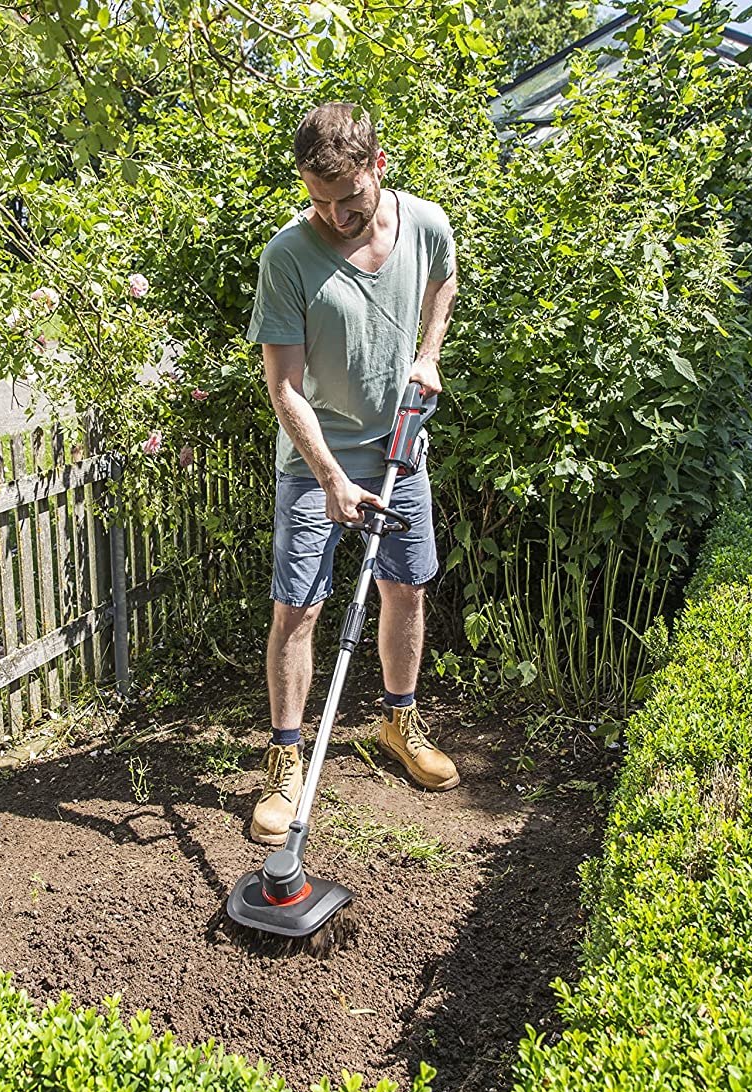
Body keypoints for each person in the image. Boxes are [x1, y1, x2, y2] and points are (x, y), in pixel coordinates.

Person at [244, 102, 460, 846]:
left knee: (407, 590)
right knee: (298, 608)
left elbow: (444, 282)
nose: (335, 214)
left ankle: (399, 722)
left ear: (379, 168)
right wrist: (332, 478)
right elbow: (283, 389)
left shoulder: (426, 223)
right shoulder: (288, 257)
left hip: (402, 447)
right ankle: (285, 758)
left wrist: (428, 354)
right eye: (318, 200)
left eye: (351, 198)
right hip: (316, 464)